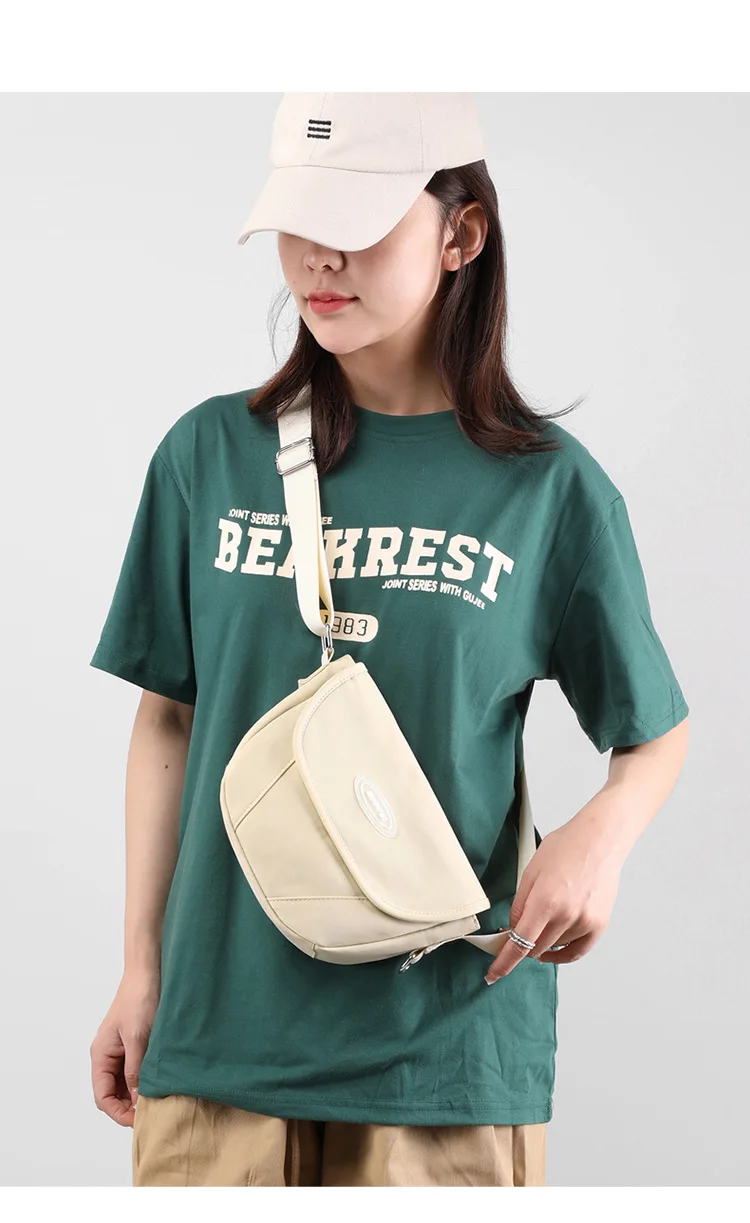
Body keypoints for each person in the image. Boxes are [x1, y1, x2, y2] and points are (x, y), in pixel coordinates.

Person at [88, 93, 690, 1188]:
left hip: (445, 1059)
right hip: (218, 1041)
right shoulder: (206, 455)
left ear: (462, 234)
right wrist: (140, 966)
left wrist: (597, 840)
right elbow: (168, 716)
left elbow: (654, 732)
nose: (319, 258)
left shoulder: (549, 490)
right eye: (299, 222)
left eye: (358, 223)